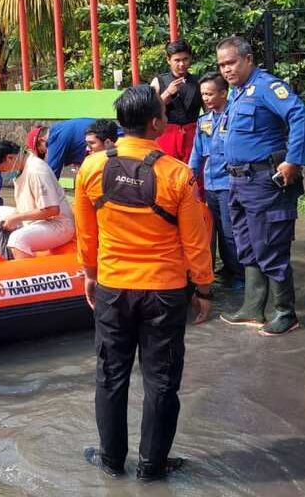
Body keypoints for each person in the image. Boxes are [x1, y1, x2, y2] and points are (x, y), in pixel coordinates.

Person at [74, 85, 213, 482]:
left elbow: (87, 235)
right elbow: (195, 241)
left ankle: (111, 460)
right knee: (162, 381)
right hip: (164, 293)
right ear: (157, 123)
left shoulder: (91, 169)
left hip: (113, 288)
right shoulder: (178, 175)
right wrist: (203, 289)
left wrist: (90, 274)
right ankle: (152, 468)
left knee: (110, 376)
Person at [216, 36, 305, 336]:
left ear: (247, 59)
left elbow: (300, 115)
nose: (226, 70)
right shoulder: (236, 93)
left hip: (264, 183)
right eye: (221, 65)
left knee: (270, 245)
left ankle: (285, 312)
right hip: (238, 181)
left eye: (231, 62)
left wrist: (294, 160)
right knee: (246, 244)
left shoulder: (266, 87)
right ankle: (252, 307)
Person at [188, 73, 244, 289]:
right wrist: (191, 177)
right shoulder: (204, 121)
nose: (206, 98)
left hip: (229, 184)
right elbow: (197, 152)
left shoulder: (235, 116)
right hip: (210, 185)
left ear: (223, 93)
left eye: (210, 94)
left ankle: (240, 274)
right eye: (203, 94)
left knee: (231, 233)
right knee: (214, 230)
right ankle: (225, 268)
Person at [0, 136, 75, 259]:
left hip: (57, 225)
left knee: (17, 239)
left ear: (10, 158)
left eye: (3, 168)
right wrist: (16, 218)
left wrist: (16, 218)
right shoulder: (22, 168)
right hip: (33, 220)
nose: (4, 172)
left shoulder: (37, 171)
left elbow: (52, 210)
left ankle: (24, 273)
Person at [151, 40, 202, 162]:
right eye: (177, 60)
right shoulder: (158, 81)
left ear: (190, 59)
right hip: (166, 135)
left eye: (185, 59)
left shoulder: (199, 81)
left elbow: (209, 111)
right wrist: (167, 93)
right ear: (168, 60)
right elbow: (149, 110)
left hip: (193, 136)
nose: (182, 64)